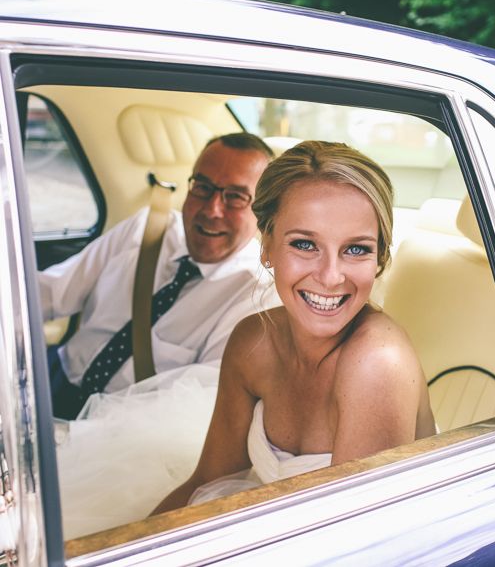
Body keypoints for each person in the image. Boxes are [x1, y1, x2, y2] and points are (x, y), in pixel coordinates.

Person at [153, 140, 436, 514]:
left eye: (356, 249)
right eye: (305, 244)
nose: (331, 277)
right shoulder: (252, 342)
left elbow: (357, 539)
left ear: (380, 257)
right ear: (267, 246)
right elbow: (208, 482)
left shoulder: (378, 364)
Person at [42, 132, 280, 420]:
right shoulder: (145, 229)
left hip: (122, 429)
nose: (212, 209)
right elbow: (51, 292)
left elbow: (188, 407)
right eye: (203, 187)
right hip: (52, 375)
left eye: (236, 197)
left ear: (262, 212)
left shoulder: (255, 296)